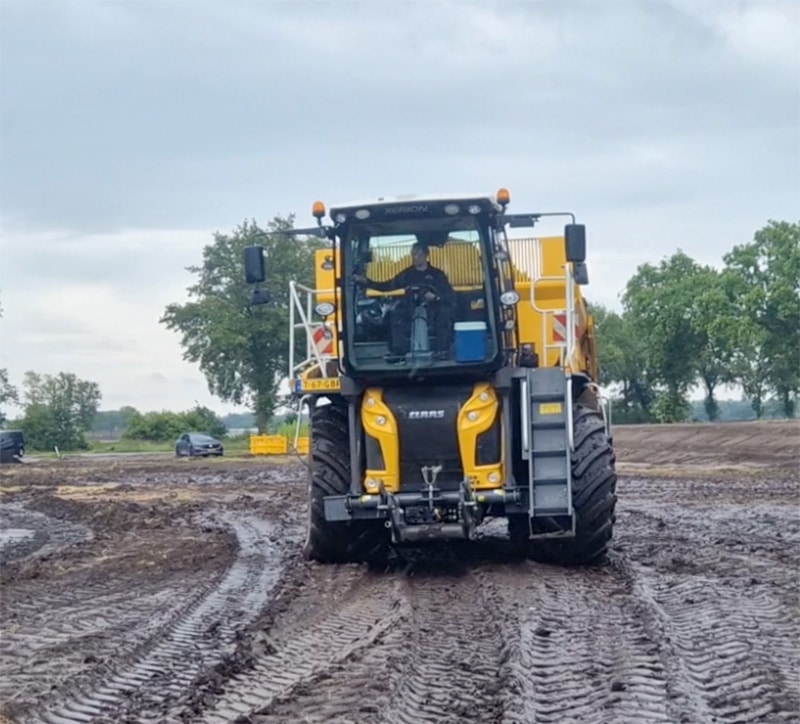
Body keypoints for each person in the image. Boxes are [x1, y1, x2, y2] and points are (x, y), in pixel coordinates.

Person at [353, 242, 455, 357]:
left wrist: (435, 297)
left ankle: (442, 350)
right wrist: (367, 282)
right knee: (396, 314)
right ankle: (399, 352)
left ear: (426, 255)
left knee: (445, 312)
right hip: (410, 308)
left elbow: (449, 294)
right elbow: (387, 285)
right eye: (413, 254)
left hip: (434, 308)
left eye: (418, 254)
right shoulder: (407, 274)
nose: (415, 257)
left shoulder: (437, 275)